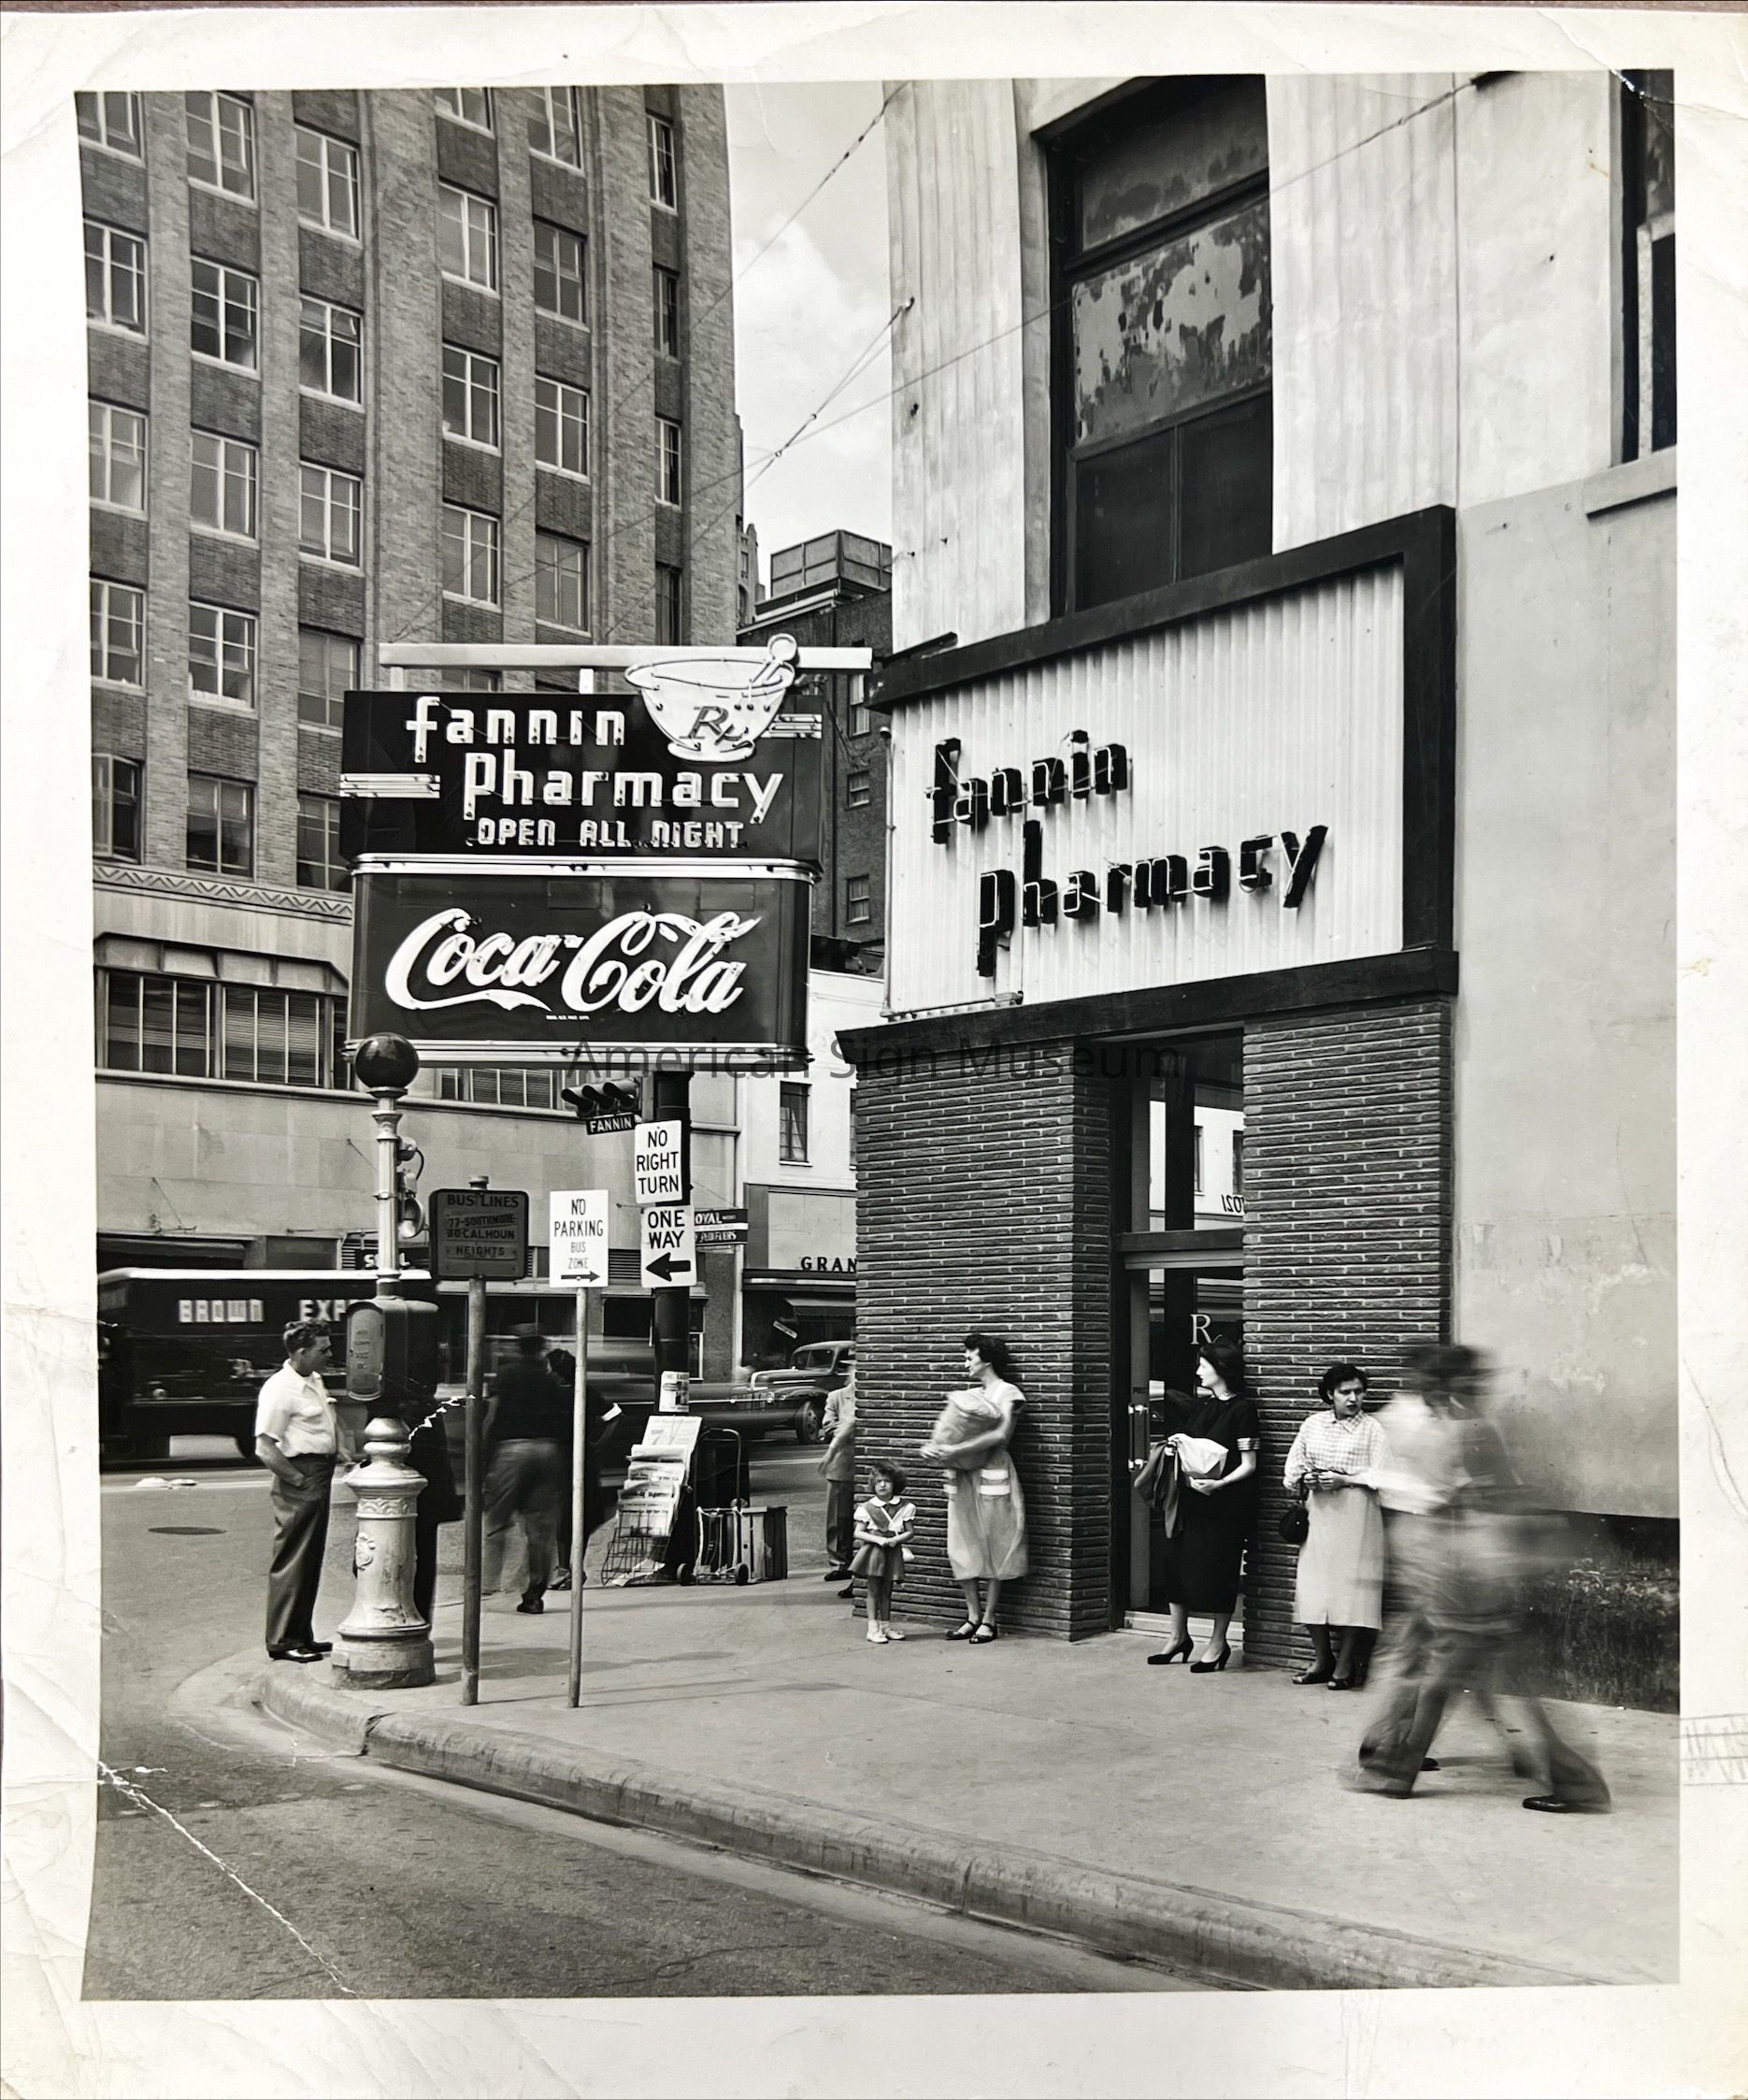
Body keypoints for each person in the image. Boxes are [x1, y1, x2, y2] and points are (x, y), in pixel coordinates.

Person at [1348, 1343, 1611, 1812]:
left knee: (1451, 1679)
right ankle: (1401, 1767)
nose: (1421, 1396)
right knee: (1479, 1681)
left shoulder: (1468, 1430)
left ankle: (1400, 1769)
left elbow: (1490, 1502)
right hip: (1466, 1573)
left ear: (1443, 1387)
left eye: (1428, 1387)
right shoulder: (1459, 1428)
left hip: (1474, 1573)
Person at [1144, 1337, 1261, 1672]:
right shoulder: (1203, 1406)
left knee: (1219, 1571)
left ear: (1220, 1370)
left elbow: (1249, 1463)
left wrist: (1220, 1484)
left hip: (1224, 1507)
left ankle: (1218, 1643)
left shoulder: (1243, 1410)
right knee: (1175, 1565)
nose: (1197, 1372)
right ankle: (1178, 1636)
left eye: (1203, 1366)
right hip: (1190, 1501)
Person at [1282, 1363, 1390, 1689]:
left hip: (1357, 1515)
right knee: (1313, 1587)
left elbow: (1383, 1474)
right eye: (1346, 1392)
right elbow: (1291, 1470)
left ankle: (1345, 1666)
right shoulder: (1313, 1425)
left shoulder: (1372, 1429)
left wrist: (1345, 1479)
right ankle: (1321, 1658)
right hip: (1320, 1514)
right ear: (1330, 1394)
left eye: (1359, 1392)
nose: (1354, 1398)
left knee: (1352, 1590)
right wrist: (1307, 1478)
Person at [920, 1330, 1028, 1644]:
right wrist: (934, 1448)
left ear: (987, 1359)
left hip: (993, 1471)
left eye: (970, 1355)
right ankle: (971, 1615)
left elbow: (1002, 1436)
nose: (965, 1361)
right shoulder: (969, 1395)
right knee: (963, 1539)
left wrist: (954, 1451)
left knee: (994, 1539)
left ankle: (990, 1619)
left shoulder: (1008, 1393)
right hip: (962, 1475)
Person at [254, 1320, 349, 1662]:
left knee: (309, 1559)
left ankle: (301, 1634)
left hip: (318, 1472)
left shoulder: (314, 1380)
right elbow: (265, 1447)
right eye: (323, 1350)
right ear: (301, 1352)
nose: (329, 1354)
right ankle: (282, 1639)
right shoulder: (281, 1389)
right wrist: (297, 1480)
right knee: (293, 1559)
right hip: (301, 1475)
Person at [481, 1326, 568, 1615]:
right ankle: (533, 1596)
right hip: (547, 1450)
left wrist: (484, 1458)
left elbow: (492, 1416)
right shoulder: (551, 1380)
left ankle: (485, 1586)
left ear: (519, 1347)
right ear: (540, 1349)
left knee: (497, 1521)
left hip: (512, 1449)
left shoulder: (506, 1375)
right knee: (540, 1530)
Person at [545, 1345, 620, 1591]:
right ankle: (573, 1569)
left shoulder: (553, 1394)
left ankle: (564, 1569)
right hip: (585, 1457)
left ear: (557, 1372)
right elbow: (614, 1415)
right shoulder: (585, 1392)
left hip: (561, 1458)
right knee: (581, 1513)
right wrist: (598, 1444)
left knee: (563, 1513)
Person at [850, 1460, 916, 1645]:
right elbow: (858, 1532)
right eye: (878, 1481)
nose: (882, 1485)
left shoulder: (905, 1507)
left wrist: (897, 1539)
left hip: (892, 1551)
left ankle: (886, 1627)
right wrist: (878, 1539)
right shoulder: (867, 1508)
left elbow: (910, 1532)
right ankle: (873, 1629)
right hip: (874, 1552)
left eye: (886, 1481)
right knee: (873, 1590)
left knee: (887, 1590)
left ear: (895, 1484)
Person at [819, 1367, 858, 1592]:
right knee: (837, 1518)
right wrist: (846, 1428)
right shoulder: (836, 1396)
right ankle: (838, 1563)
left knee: (858, 1518)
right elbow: (828, 1425)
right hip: (841, 1463)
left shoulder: (871, 1394)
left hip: (861, 1464)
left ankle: (854, 1563)